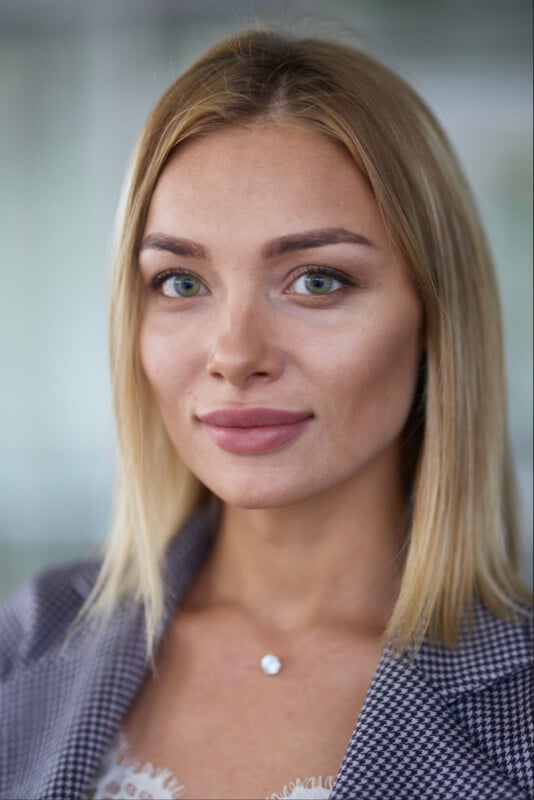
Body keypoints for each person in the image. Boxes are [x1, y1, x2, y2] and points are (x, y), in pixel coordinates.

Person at [0, 28, 532, 800]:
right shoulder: (34, 637)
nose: (235, 353)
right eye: (181, 283)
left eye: (316, 280)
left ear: (435, 317)